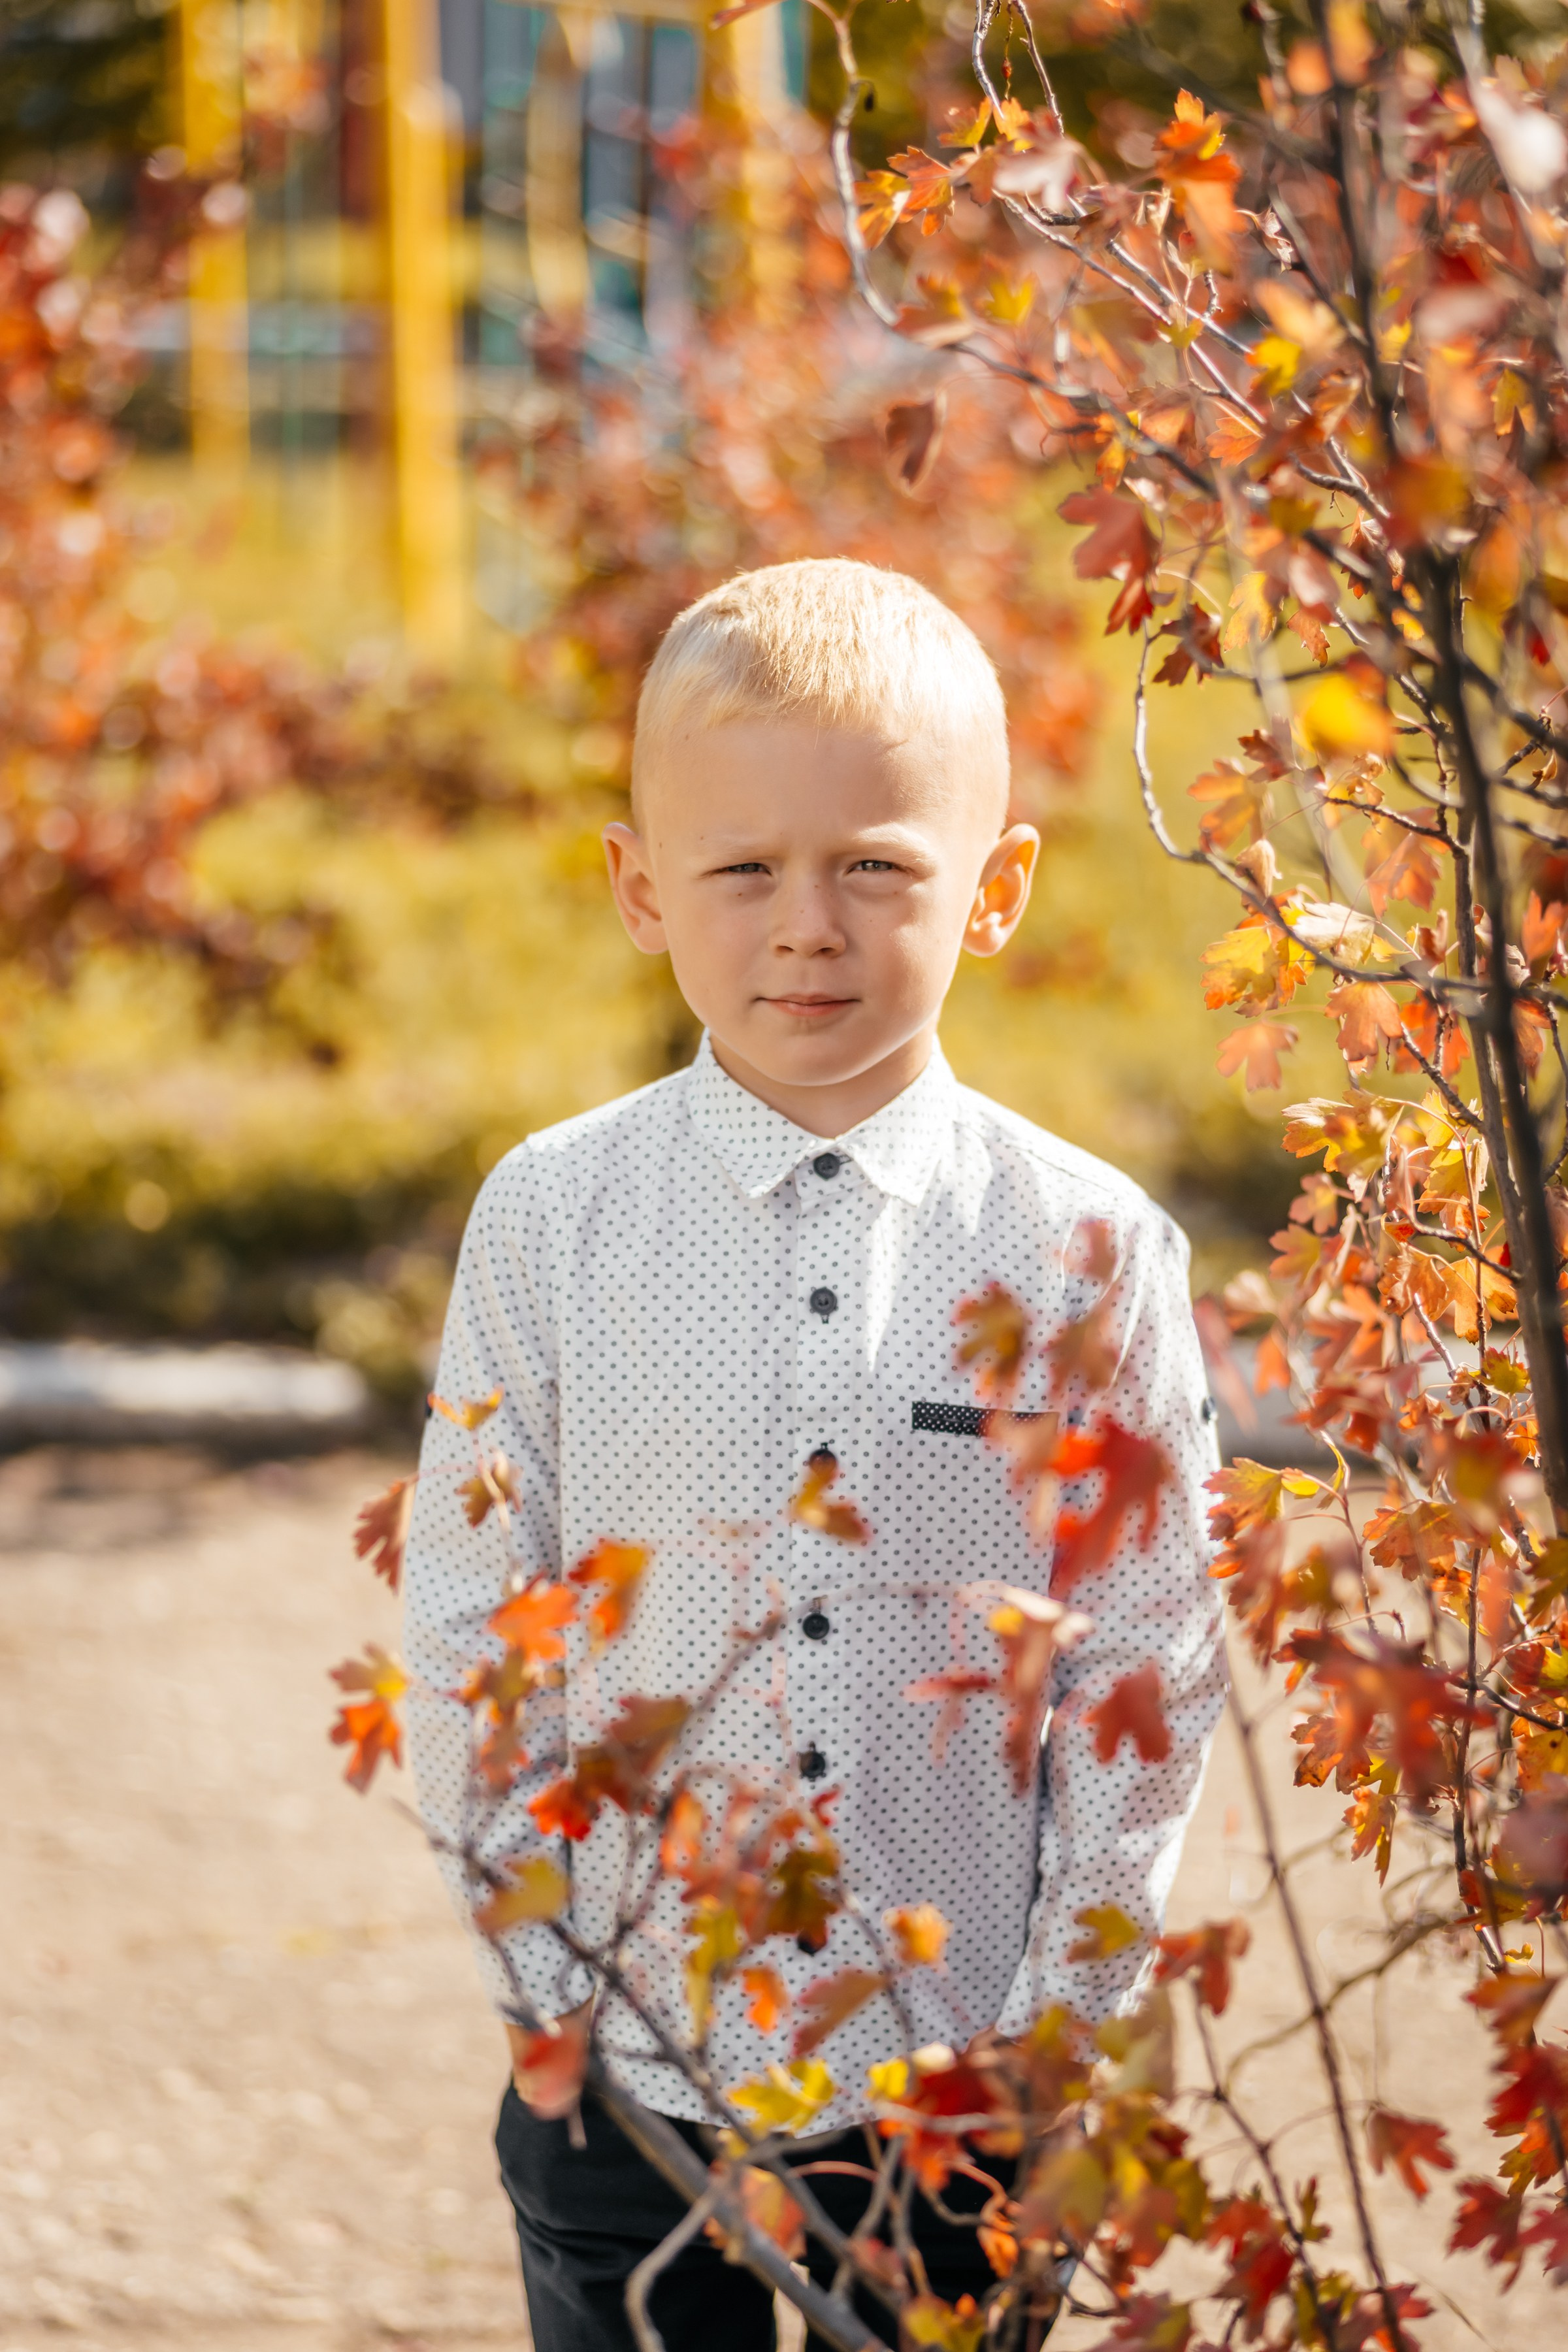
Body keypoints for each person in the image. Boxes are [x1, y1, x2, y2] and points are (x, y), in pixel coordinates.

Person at [402, 559, 1227, 2351]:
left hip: (956, 2081)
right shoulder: (552, 1220)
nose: (808, 928)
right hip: (625, 2066)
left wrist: (1067, 2024)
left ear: (994, 893)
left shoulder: (1086, 1253)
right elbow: (479, 1617)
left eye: (876, 868)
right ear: (641, 887)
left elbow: (1145, 1663)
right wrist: (545, 1993)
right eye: (743, 870)